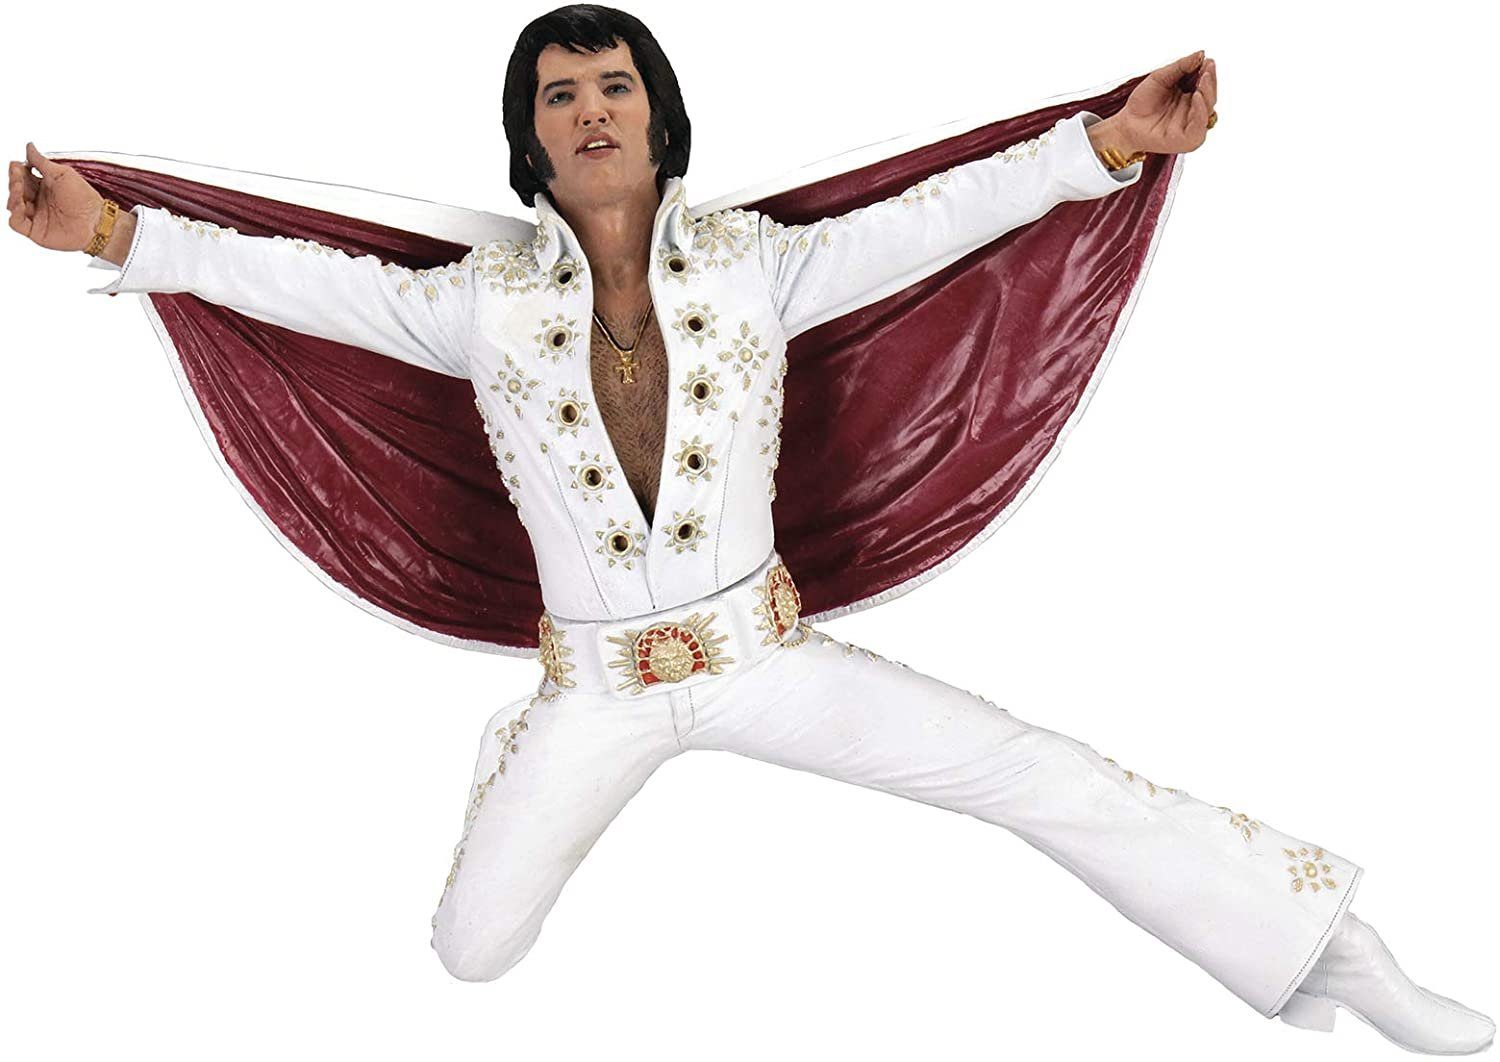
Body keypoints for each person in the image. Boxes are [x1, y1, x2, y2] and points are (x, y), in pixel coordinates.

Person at [7, 5, 1493, 1054]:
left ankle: (1343, 958)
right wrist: (114, 234)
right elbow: (288, 277)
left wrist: (1102, 144)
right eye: (558, 95)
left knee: (1040, 774)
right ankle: (518, 746)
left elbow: (941, 217)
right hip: (595, 691)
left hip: (765, 659)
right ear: (530, 139)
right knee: (470, 955)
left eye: (613, 85)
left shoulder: (757, 268)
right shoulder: (477, 304)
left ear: (658, 116)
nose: (590, 110)